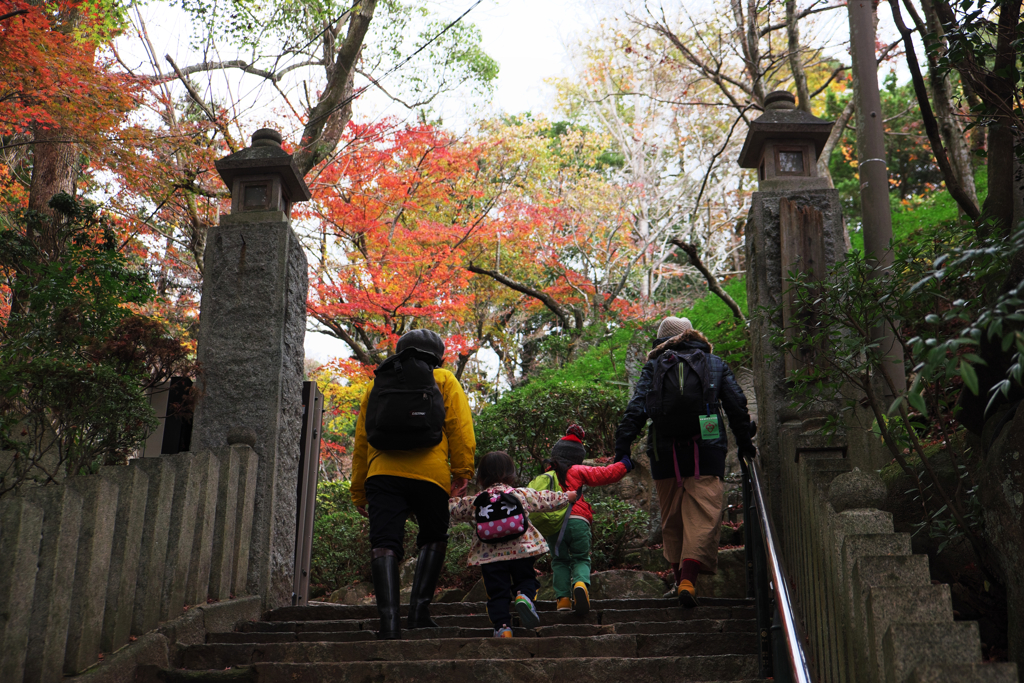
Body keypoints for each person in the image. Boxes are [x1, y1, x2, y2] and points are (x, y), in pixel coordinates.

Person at [613, 316, 754, 607]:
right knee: (703, 514)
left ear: (660, 340)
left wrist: (623, 445)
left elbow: (637, 407)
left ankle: (680, 581)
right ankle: (688, 581)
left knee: (672, 518)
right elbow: (736, 404)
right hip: (707, 449)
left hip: (664, 451)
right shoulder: (714, 363)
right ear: (693, 336)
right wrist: (744, 442)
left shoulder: (654, 365)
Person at [351, 329, 476, 640]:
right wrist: (462, 471)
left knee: (384, 542)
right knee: (433, 536)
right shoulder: (443, 379)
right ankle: (419, 614)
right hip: (431, 476)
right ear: (437, 357)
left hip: (382, 475)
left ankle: (389, 625)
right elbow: (459, 427)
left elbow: (362, 440)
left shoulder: (377, 384)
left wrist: (358, 490)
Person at [448, 450, 576, 637]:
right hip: (521, 550)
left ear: (481, 476)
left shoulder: (477, 500)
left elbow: (456, 511)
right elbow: (545, 500)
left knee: (496, 592)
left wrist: (453, 497)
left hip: (489, 557)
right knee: (526, 579)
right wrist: (568, 497)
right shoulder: (519, 494)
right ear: (510, 473)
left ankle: (502, 628)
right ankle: (524, 596)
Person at [540, 425, 633, 616]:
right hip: (578, 521)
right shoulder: (578, 470)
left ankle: (563, 600)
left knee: (559, 561)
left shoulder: (546, 475)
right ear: (577, 457)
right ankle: (580, 584)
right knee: (581, 558)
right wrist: (624, 464)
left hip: (555, 526)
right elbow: (605, 474)